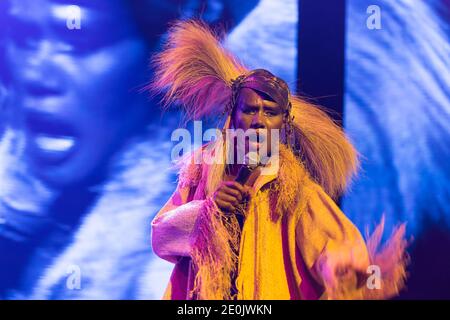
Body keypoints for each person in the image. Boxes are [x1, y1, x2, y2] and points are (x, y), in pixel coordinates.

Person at [150, 20, 408, 300]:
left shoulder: (292, 189)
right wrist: (206, 212)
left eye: (269, 112)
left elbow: (335, 243)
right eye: (249, 110)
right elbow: (161, 238)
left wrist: (344, 268)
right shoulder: (202, 169)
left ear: (283, 123)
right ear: (232, 113)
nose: (258, 121)